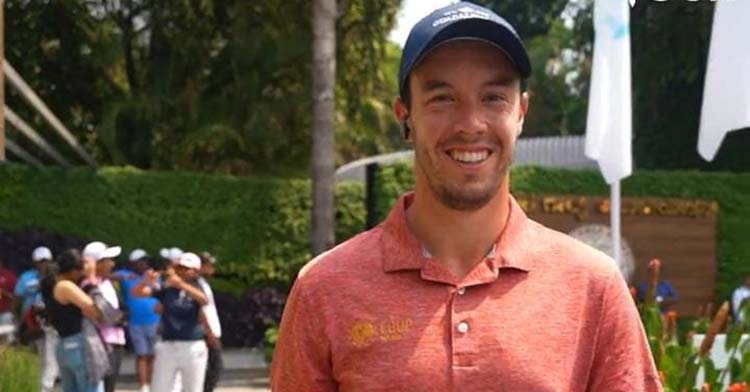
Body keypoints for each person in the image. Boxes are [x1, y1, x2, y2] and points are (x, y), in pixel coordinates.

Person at [271, 2, 662, 390]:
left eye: (493, 97)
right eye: (442, 98)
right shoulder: (325, 289)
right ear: (404, 115)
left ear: (521, 112)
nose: (470, 124)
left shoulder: (592, 286)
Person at [132, 252, 209, 392]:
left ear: (195, 271)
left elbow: (204, 300)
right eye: (179, 268)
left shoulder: (199, 286)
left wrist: (182, 285)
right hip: (168, 344)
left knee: (193, 388)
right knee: (160, 388)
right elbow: (137, 293)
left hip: (192, 345)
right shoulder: (167, 288)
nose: (181, 272)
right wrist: (145, 281)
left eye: (185, 269)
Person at [41, 249, 104, 392]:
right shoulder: (65, 286)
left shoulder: (51, 286)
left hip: (64, 345)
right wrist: (92, 279)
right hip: (79, 344)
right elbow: (96, 311)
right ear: (74, 270)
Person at [82, 241, 127, 392]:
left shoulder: (108, 283)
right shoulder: (88, 285)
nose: (112, 264)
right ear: (97, 263)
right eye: (109, 260)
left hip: (115, 342)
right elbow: (106, 315)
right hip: (100, 344)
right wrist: (121, 318)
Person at [15, 246, 60, 392]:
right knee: (33, 357)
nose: (43, 264)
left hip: (49, 325)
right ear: (35, 262)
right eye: (40, 261)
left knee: (50, 360)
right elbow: (17, 299)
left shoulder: (56, 278)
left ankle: (44, 388)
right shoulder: (27, 277)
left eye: (46, 261)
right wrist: (18, 322)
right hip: (30, 322)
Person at [119, 249, 161, 392]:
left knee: (153, 355)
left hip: (155, 321)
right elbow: (110, 277)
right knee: (142, 355)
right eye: (140, 261)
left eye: (145, 260)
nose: (144, 263)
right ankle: (144, 386)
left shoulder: (153, 276)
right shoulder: (125, 275)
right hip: (136, 322)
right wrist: (125, 276)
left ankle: (152, 383)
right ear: (133, 263)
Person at [198, 252, 223, 392]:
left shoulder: (203, 283)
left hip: (211, 331)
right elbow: (201, 311)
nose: (212, 268)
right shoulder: (197, 285)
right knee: (213, 368)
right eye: (209, 265)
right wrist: (209, 333)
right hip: (207, 333)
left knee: (214, 368)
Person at [0, 257, 18, 341]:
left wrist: (3, 292)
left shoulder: (9, 276)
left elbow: (17, 298)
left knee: (6, 340)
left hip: (5, 314)